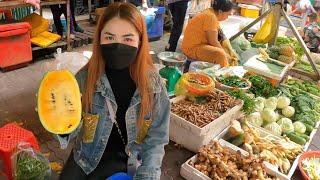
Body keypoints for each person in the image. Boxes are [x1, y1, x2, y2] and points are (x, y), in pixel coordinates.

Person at [58, 2, 170, 180]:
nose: (118, 46)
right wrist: (59, 122)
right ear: (99, 39)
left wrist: (147, 175)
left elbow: (157, 139)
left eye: (127, 39)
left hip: (129, 160)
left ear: (140, 41)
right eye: (109, 38)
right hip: (86, 158)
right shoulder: (83, 79)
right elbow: (69, 128)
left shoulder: (154, 87)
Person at [181, 0, 238, 67]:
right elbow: (213, 41)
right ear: (220, 12)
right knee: (221, 54)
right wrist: (226, 55)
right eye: (228, 14)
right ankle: (225, 73)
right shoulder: (210, 17)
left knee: (224, 49)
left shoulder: (211, 12)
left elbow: (220, 34)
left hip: (198, 45)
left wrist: (229, 49)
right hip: (192, 48)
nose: (227, 18)